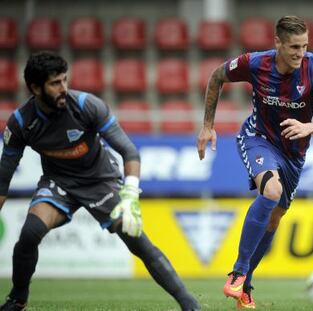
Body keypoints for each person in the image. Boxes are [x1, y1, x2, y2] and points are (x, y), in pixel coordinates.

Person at [0, 51, 200, 311]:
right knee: (29, 233)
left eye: (64, 80)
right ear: (35, 88)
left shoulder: (86, 105)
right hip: (59, 183)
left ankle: (190, 305)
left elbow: (129, 151)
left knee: (138, 241)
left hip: (101, 181)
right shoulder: (20, 122)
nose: (64, 88)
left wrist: (130, 196)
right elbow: (4, 176)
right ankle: (17, 299)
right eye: (55, 83)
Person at [197, 15, 313, 309]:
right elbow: (216, 76)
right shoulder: (255, 63)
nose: (299, 53)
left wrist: (310, 127)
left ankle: (246, 285)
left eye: (304, 46)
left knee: (275, 217)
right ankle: (238, 272)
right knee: (270, 191)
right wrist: (207, 126)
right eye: (293, 46)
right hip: (258, 138)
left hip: (294, 153)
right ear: (277, 42)